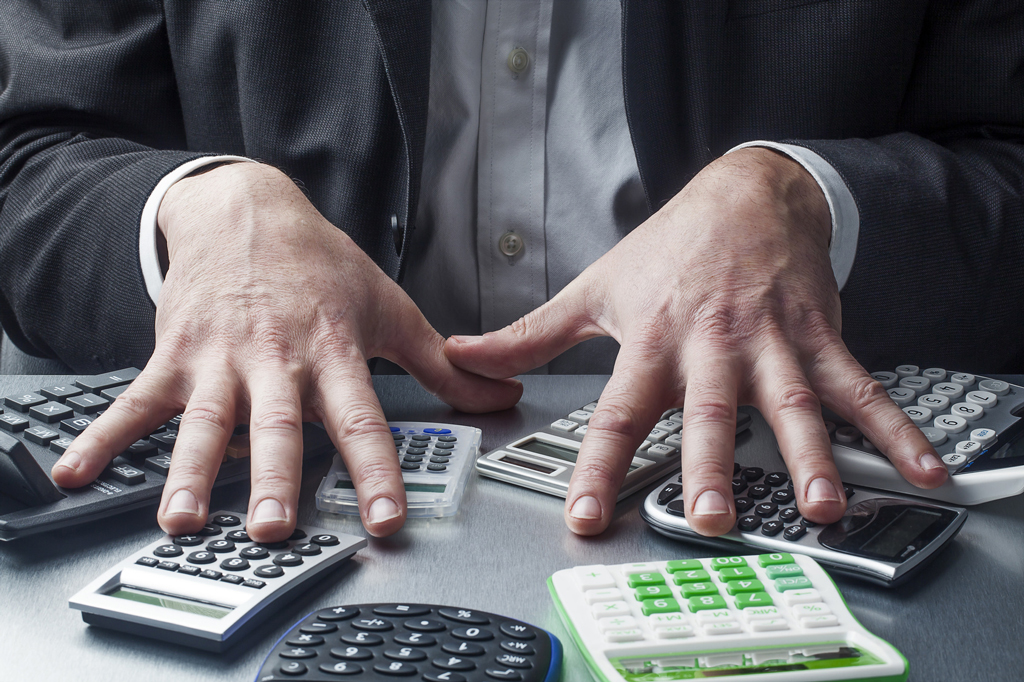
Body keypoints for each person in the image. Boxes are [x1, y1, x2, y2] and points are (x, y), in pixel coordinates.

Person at [1, 1, 1021, 543]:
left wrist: (810, 197)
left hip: (794, 502)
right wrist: (192, 209)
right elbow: (31, 155)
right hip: (253, 497)